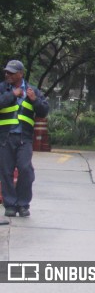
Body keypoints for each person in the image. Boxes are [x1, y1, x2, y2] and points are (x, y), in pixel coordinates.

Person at [0, 60, 49, 218]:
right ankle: (10, 205)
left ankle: (23, 204)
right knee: (6, 172)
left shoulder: (32, 90)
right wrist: (11, 95)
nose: (8, 75)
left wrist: (34, 100)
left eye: (12, 73)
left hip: (24, 138)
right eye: (7, 72)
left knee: (25, 169)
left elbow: (43, 111)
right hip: (5, 138)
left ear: (21, 74)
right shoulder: (3, 89)